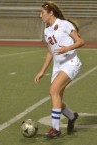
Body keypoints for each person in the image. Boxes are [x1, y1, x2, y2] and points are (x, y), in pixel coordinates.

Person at [34, 1, 84, 139]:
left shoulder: (65, 25)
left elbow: (80, 41)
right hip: (58, 67)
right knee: (56, 98)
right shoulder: (47, 31)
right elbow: (50, 52)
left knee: (53, 90)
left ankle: (55, 129)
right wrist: (42, 70)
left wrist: (66, 49)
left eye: (42, 13)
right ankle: (72, 116)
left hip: (71, 63)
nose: (40, 16)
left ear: (51, 13)